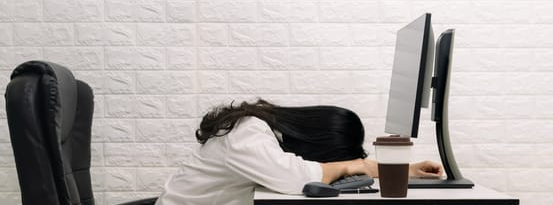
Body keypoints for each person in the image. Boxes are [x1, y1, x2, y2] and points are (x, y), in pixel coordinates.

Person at [156, 99, 442, 205]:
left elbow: (351, 164)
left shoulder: (260, 130)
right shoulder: (247, 132)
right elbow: (297, 179)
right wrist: (348, 166)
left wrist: (404, 170)